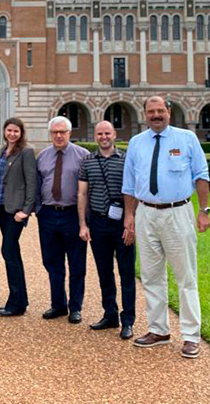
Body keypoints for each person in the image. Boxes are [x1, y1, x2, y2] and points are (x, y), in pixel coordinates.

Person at [122, 96, 210, 359]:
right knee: (151, 276)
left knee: (186, 277)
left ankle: (191, 336)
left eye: (160, 111)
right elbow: (129, 184)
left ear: (169, 112)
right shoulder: (137, 143)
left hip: (177, 212)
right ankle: (158, 330)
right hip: (146, 213)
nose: (156, 115)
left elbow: (201, 175)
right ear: (145, 114)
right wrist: (129, 215)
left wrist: (204, 211)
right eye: (151, 111)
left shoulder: (186, 138)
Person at [77, 121, 135, 339]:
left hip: (122, 224)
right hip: (99, 223)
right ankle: (110, 314)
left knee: (127, 273)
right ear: (95, 136)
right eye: (100, 133)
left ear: (114, 135)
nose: (103, 137)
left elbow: (134, 191)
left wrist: (131, 221)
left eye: (107, 133)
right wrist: (83, 223)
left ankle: (128, 320)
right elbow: (82, 193)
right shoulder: (88, 161)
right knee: (104, 272)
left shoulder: (127, 159)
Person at [36, 116, 90, 323]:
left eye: (62, 132)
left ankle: (75, 307)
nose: (58, 136)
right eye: (55, 132)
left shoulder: (83, 155)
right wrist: (40, 210)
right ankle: (58, 304)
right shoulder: (42, 156)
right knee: (52, 263)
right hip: (48, 214)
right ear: (51, 134)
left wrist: (85, 219)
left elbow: (89, 188)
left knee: (77, 264)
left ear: (69, 133)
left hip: (72, 215)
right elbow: (37, 184)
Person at [0, 117, 36, 317]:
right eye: (9, 130)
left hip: (16, 211)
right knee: (13, 252)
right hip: (2, 208)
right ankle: (21, 300)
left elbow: (32, 183)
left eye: (16, 131)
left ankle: (15, 302)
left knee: (8, 250)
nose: (12, 134)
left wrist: (25, 211)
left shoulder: (26, 152)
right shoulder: (3, 150)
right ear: (4, 131)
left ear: (21, 133)